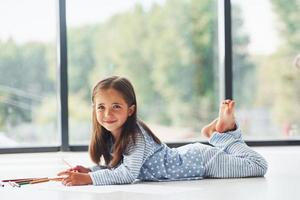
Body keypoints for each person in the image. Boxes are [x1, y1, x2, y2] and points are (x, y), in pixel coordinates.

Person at [57, 76, 268, 186]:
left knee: (258, 166)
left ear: (130, 110)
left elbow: (128, 174)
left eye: (116, 107)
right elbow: (121, 167)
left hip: (202, 162)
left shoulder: (135, 135)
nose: (107, 114)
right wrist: (91, 171)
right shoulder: (111, 135)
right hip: (193, 158)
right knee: (251, 164)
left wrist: (89, 180)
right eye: (101, 107)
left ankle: (224, 134)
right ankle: (219, 132)